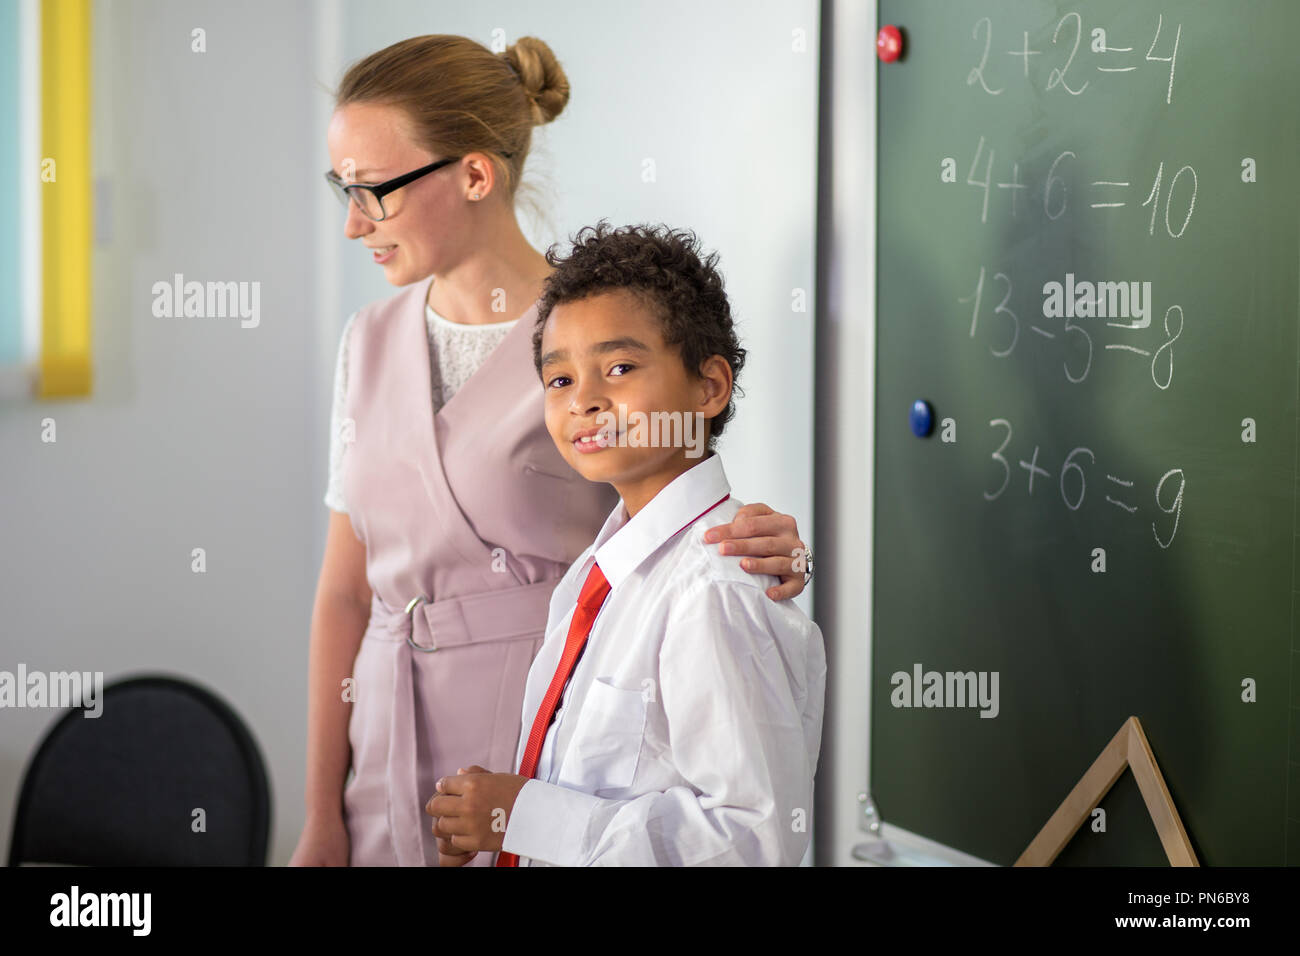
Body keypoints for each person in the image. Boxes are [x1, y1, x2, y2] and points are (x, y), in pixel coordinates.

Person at [289, 35, 814, 867]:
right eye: (341, 190)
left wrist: (771, 542)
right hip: (381, 744)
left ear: (472, 175)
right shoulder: (368, 341)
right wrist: (319, 811)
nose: (354, 223)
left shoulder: (599, 331)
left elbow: (677, 502)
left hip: (534, 739)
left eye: (374, 192)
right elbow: (343, 594)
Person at [425, 222, 825, 866]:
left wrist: (524, 816)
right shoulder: (598, 574)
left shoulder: (714, 589)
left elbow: (755, 842)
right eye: (559, 380)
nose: (584, 399)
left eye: (619, 367)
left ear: (709, 387)